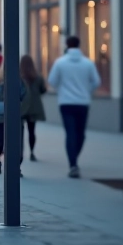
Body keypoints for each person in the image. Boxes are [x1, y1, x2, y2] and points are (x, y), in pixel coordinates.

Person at [48, 35, 101, 178]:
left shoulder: (60, 63)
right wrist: (86, 90)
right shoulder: (88, 63)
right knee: (81, 134)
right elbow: (96, 81)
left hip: (66, 102)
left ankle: (73, 163)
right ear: (79, 45)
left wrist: (62, 89)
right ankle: (74, 159)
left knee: (70, 133)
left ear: (66, 45)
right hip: (83, 102)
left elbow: (52, 81)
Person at [0, 65, 25, 175]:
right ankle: (17, 167)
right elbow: (23, 95)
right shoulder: (19, 83)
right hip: (15, 114)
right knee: (16, 140)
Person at [19, 55, 47, 162]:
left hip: (22, 107)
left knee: (20, 132)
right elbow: (43, 90)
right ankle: (32, 152)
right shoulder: (38, 77)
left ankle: (20, 152)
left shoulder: (19, 77)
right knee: (32, 131)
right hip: (34, 107)